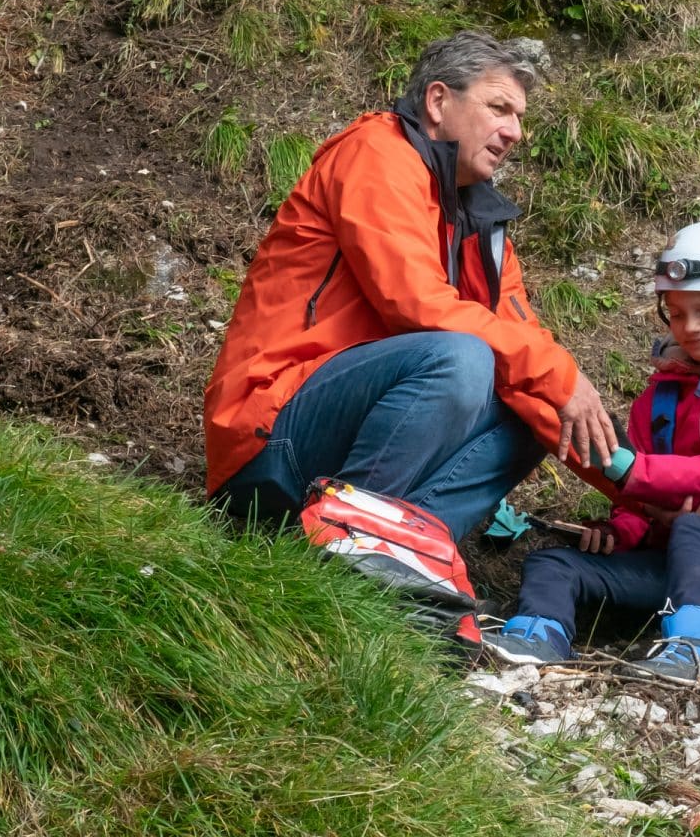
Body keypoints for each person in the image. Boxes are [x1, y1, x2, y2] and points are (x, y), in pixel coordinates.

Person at [204, 31, 617, 540]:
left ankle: (406, 546)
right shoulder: (377, 152)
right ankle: (350, 536)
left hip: (348, 435)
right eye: (499, 108)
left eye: (519, 117)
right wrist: (560, 375)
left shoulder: (476, 220)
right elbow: (416, 304)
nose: (514, 132)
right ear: (438, 101)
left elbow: (530, 358)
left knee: (534, 406)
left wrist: (646, 495)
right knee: (462, 358)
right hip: (269, 431)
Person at [484, 221, 700, 687]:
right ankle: (537, 640)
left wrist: (631, 471)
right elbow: (642, 504)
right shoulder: (659, 397)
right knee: (553, 563)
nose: (689, 328)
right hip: (685, 555)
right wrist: (620, 531)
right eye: (675, 313)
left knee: (697, 530)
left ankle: (697, 651)